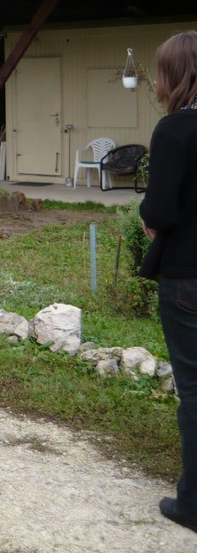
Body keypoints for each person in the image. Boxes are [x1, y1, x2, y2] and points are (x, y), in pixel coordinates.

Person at [140, 30, 197, 536]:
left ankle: (193, 504)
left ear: (175, 76)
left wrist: (150, 220)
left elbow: (159, 209)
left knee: (195, 390)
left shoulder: (175, 129)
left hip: (187, 276)